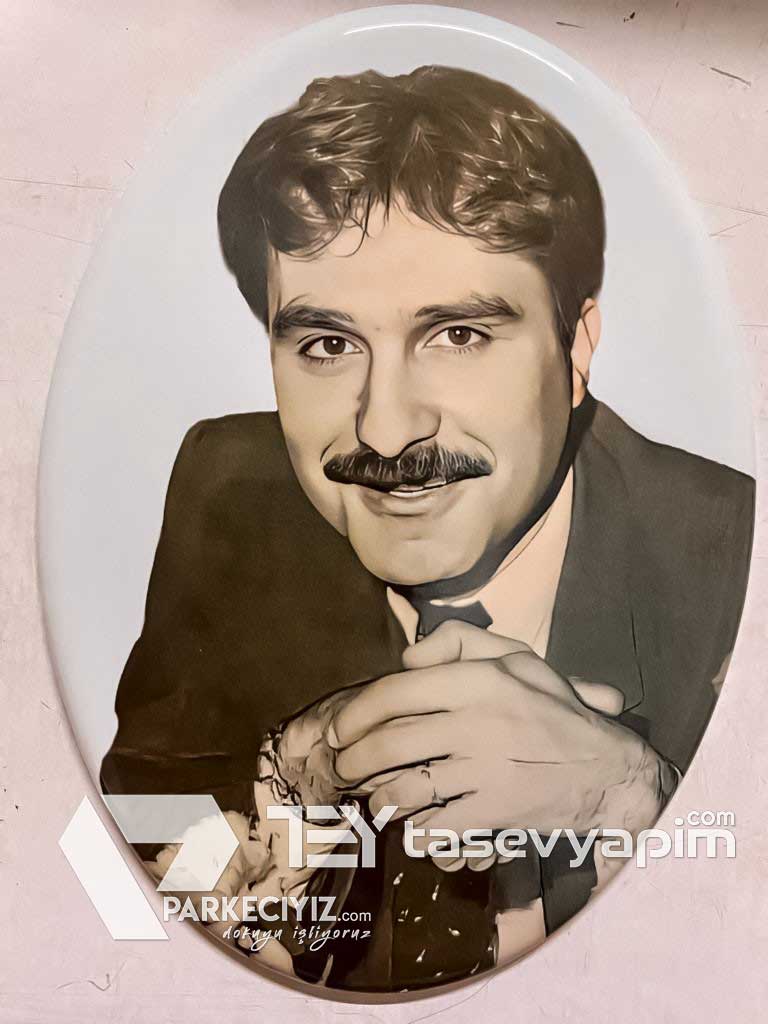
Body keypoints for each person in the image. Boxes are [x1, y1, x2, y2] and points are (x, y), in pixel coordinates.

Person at [100, 66, 754, 992]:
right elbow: (132, 827)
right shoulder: (234, 492)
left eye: (458, 335)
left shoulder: (735, 557)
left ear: (575, 349)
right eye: (329, 344)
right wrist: (289, 790)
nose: (385, 430)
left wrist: (636, 808)